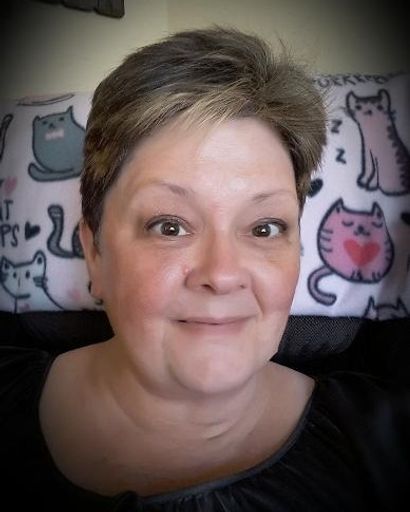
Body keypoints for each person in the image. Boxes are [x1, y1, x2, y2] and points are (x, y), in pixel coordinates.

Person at [1, 27, 409, 511]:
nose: (222, 273)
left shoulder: (385, 444)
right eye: (169, 226)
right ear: (94, 252)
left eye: (264, 228)